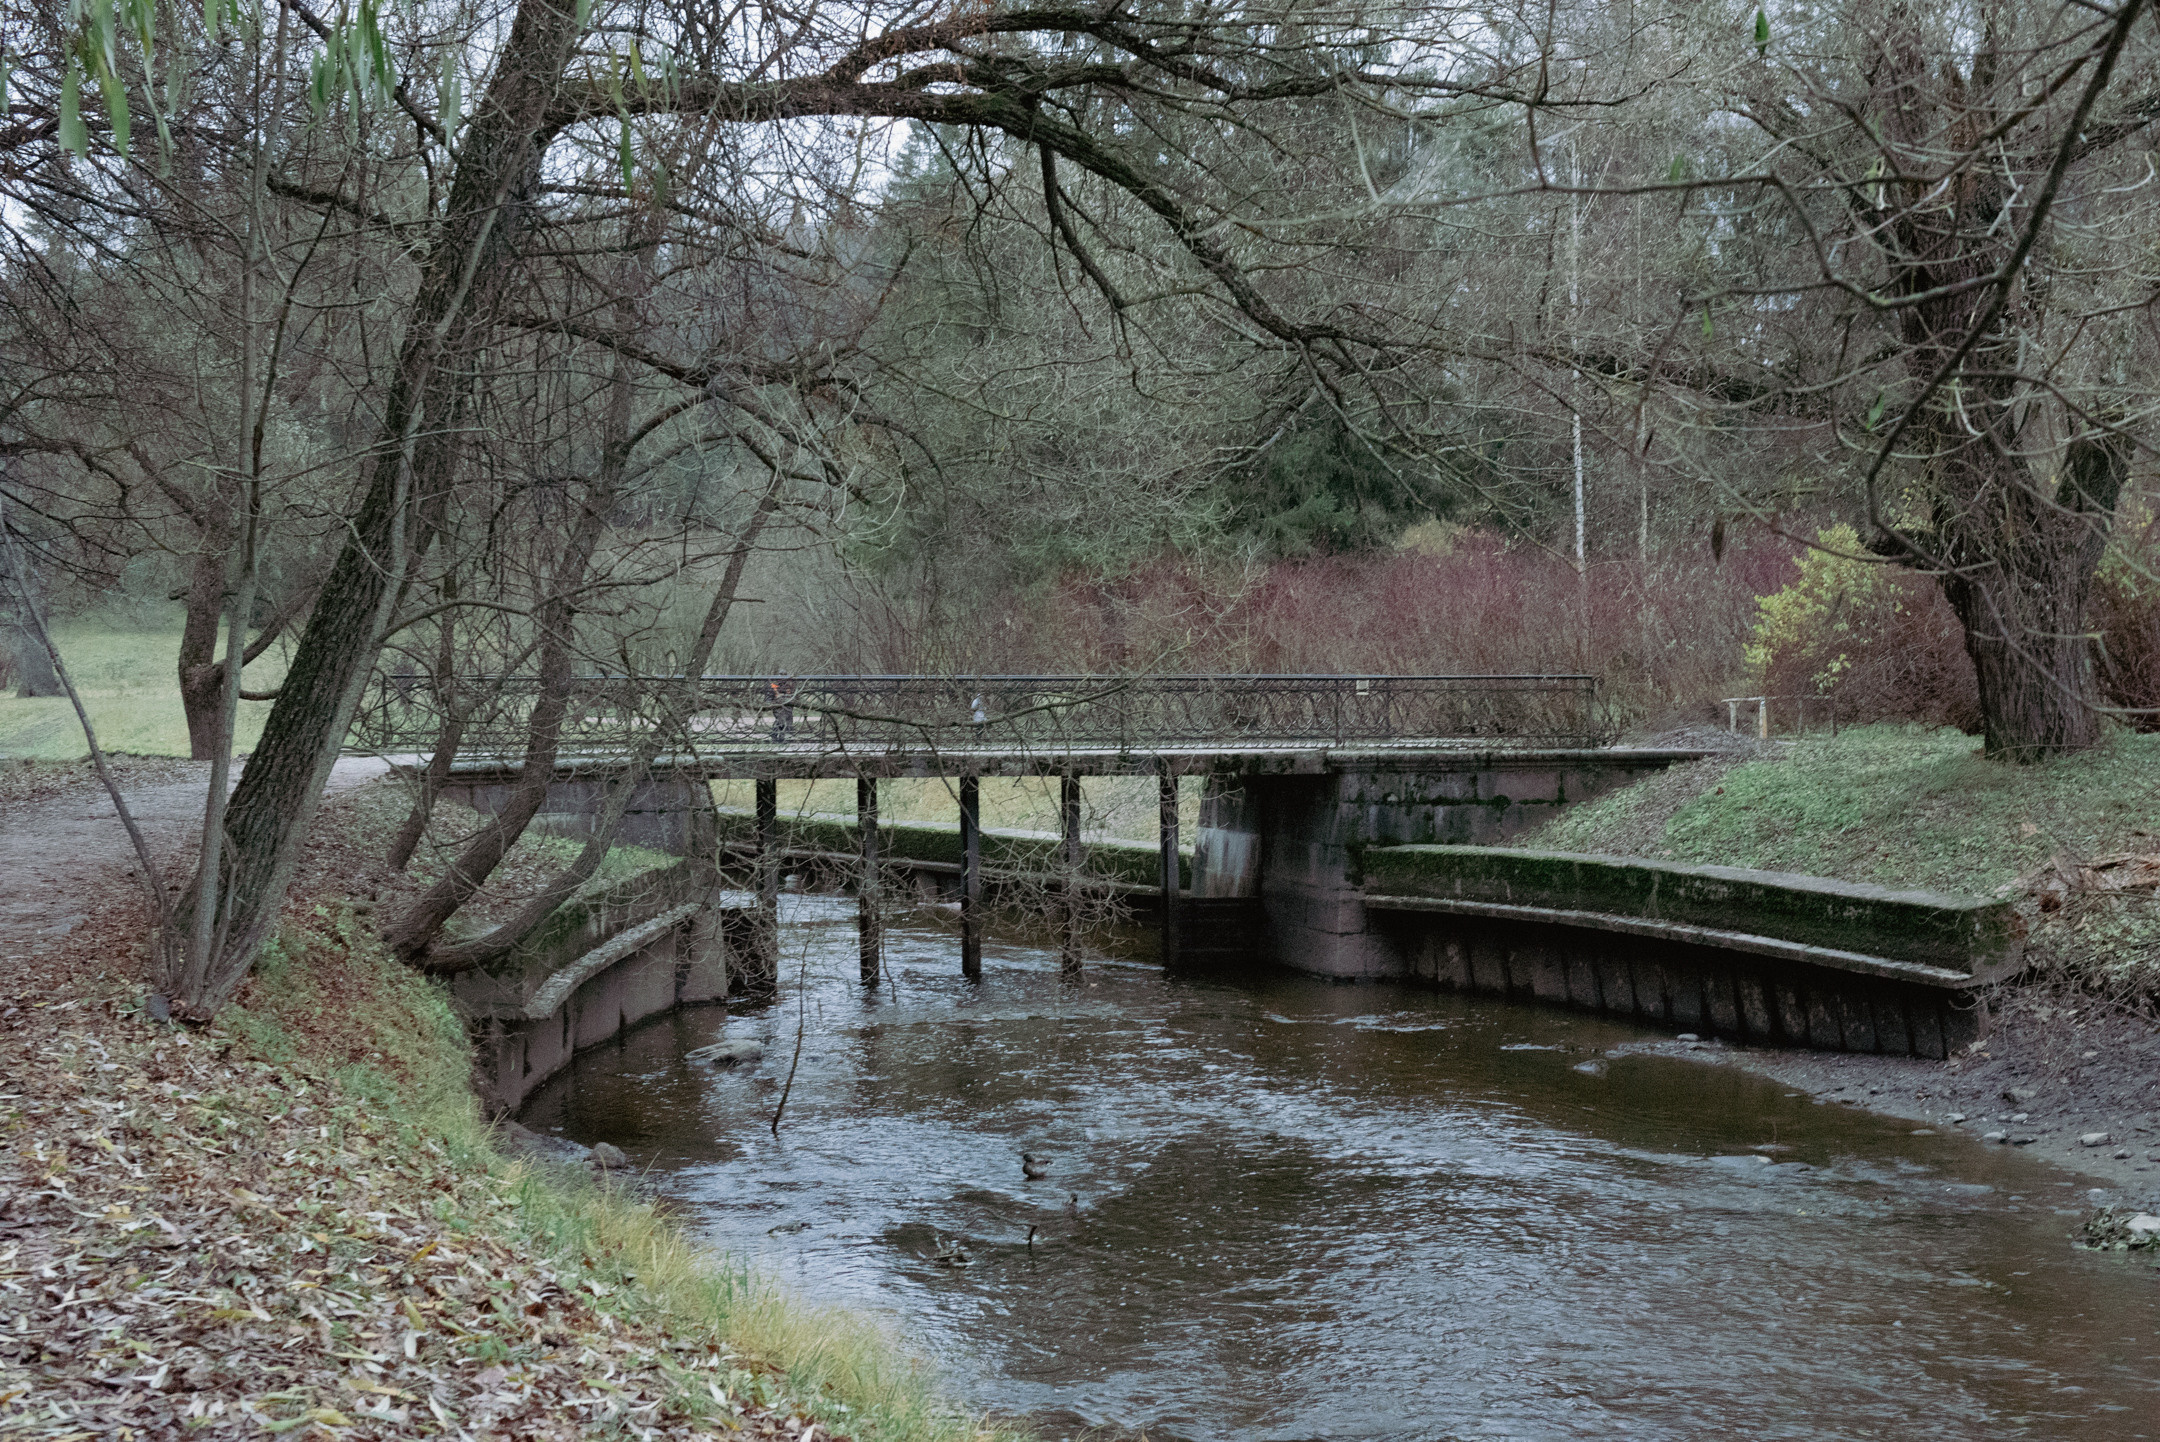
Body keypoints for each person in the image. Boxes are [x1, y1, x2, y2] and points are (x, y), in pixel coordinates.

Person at [769, 677, 795, 742]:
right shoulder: (774, 685)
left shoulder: (788, 685)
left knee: (784, 721)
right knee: (780, 721)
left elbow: (790, 695)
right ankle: (775, 735)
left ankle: (780, 737)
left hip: (786, 706)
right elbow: (774, 696)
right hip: (778, 706)